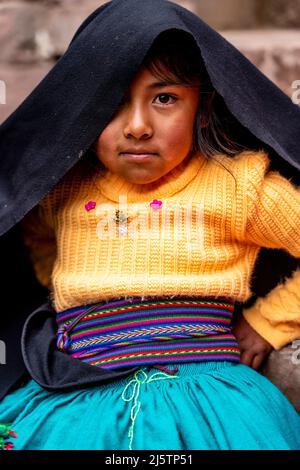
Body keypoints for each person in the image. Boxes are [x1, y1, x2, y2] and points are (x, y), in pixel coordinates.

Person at [0, 0, 299, 451]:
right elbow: (41, 240)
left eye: (165, 98)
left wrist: (268, 321)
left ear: (203, 106)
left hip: (209, 403)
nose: (137, 126)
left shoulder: (239, 187)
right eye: (112, 101)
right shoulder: (60, 191)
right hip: (75, 395)